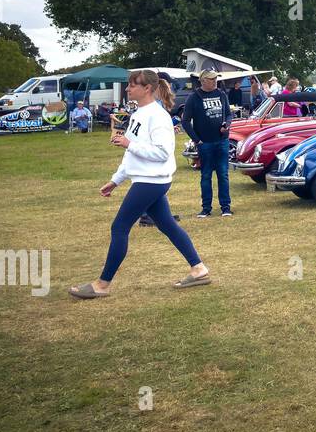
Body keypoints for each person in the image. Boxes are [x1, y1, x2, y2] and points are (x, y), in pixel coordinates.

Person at [69, 70, 210, 299]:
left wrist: (128, 144)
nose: (127, 89)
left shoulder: (158, 116)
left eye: (132, 85)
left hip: (152, 181)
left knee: (119, 227)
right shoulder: (139, 114)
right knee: (167, 225)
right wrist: (116, 180)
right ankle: (199, 269)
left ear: (147, 88)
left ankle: (102, 285)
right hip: (148, 180)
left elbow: (162, 153)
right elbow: (132, 154)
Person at [181, 70, 232, 218]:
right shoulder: (194, 98)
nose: (215, 81)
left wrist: (227, 124)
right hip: (205, 143)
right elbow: (185, 121)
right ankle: (206, 208)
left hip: (222, 140)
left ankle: (226, 207)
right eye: (211, 79)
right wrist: (197, 140)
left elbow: (228, 114)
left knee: (223, 174)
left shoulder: (221, 94)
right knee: (206, 175)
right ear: (203, 81)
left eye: (215, 78)